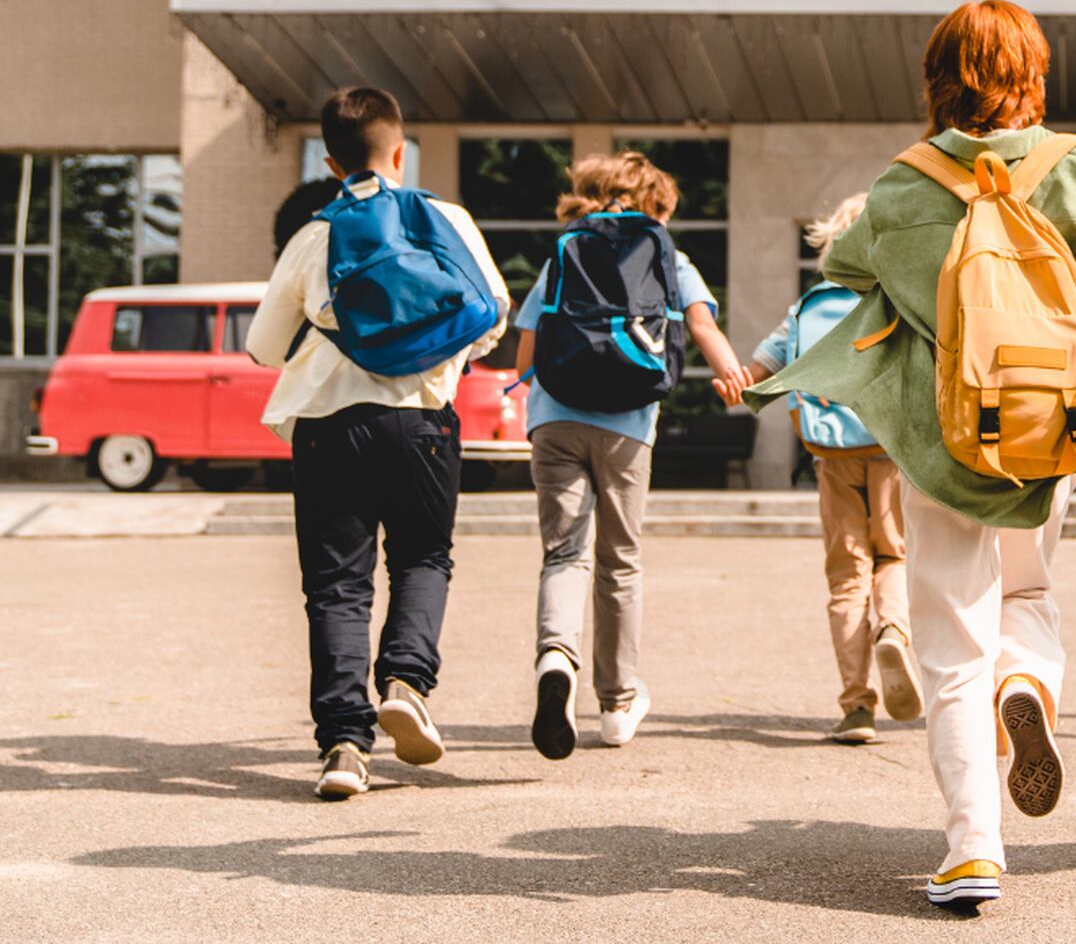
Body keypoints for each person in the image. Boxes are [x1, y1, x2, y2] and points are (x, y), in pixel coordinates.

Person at [746, 0, 1076, 911]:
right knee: (1027, 590)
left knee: (950, 637)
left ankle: (973, 846)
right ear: (1034, 74)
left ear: (938, 78)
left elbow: (844, 274)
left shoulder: (903, 186)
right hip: (1053, 430)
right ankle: (1025, 681)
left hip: (945, 438)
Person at [246, 86, 510, 800]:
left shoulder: (314, 234)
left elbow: (261, 347)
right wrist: (434, 357)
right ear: (402, 152)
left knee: (337, 585)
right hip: (423, 419)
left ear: (331, 161)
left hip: (329, 424)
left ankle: (343, 746)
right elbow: (493, 313)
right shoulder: (444, 218)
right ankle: (405, 681)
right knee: (423, 556)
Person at [514, 150, 752, 760]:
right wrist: (732, 377)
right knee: (619, 560)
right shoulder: (669, 255)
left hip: (555, 417)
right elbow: (701, 326)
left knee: (563, 554)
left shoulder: (565, 248)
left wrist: (533, 406)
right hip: (627, 425)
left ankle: (555, 658)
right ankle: (617, 704)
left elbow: (528, 351)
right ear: (654, 206)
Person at [722, 194, 922, 746]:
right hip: (890, 448)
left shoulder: (810, 304)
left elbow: (757, 372)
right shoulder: (899, 299)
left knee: (846, 575)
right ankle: (895, 630)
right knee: (894, 556)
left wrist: (733, 385)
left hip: (831, 454)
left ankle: (857, 706)